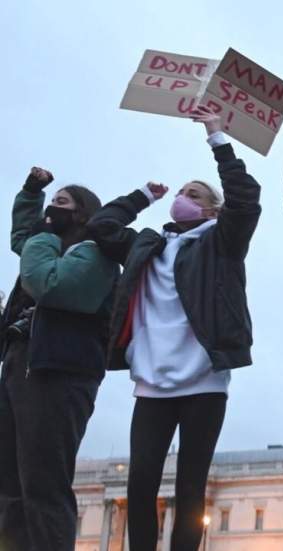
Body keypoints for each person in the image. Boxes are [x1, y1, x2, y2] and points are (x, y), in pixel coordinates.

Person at [86, 105, 261, 551]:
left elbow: (246, 198)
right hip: (152, 381)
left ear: (212, 209)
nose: (184, 196)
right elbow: (100, 225)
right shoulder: (148, 243)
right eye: (182, 191)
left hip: (204, 379)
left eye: (195, 193)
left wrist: (217, 137)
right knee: (141, 484)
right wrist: (143, 194)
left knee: (190, 489)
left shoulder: (222, 243)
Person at [0, 168, 116, 551]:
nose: (52, 210)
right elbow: (22, 239)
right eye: (50, 204)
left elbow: (52, 285)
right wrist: (31, 191)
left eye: (61, 203)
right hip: (21, 363)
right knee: (9, 484)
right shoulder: (45, 245)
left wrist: (44, 232)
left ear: (84, 214)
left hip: (59, 372)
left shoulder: (96, 254)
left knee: (43, 484)